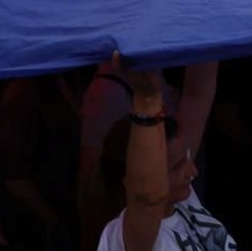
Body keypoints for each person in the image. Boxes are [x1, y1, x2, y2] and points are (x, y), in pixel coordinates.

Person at [96, 58, 225, 251]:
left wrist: (208, 31)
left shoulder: (182, 202)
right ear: (133, 178)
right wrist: (148, 99)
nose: (192, 171)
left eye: (187, 158)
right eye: (176, 166)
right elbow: (148, 198)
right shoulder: (128, 238)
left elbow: (198, 94)